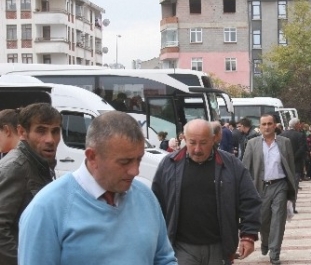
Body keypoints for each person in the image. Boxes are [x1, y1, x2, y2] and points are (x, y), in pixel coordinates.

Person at [18, 111, 176, 265]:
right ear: (92, 157)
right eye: (124, 162)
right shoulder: (46, 209)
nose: (135, 171)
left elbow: (164, 258)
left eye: (139, 159)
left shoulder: (145, 197)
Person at [152, 119, 262, 265]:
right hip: (181, 247)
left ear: (213, 139)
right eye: (192, 142)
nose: (197, 149)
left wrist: (248, 235)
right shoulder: (169, 165)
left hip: (219, 247)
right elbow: (155, 204)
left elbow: (250, 201)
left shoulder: (231, 165)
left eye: (203, 143)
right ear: (184, 139)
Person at [0, 103, 62, 265]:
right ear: (22, 132)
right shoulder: (16, 167)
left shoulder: (41, 163)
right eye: (41, 130)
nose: (50, 139)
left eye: (55, 131)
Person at [242, 114, 296, 265]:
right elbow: (245, 168)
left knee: (278, 219)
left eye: (269, 124)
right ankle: (265, 242)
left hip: (280, 185)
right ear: (259, 126)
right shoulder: (252, 143)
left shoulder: (285, 142)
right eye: (263, 124)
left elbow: (290, 166)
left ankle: (275, 252)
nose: (266, 127)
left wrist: (292, 188)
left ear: (275, 125)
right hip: (260, 187)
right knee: (263, 221)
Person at [279, 118, 307, 213]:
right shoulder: (300, 135)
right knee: (294, 187)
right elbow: (303, 149)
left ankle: (283, 207)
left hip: (283, 165)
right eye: (299, 124)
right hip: (296, 165)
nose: (300, 126)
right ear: (296, 125)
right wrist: (293, 158)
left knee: (284, 187)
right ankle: (292, 207)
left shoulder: (282, 134)